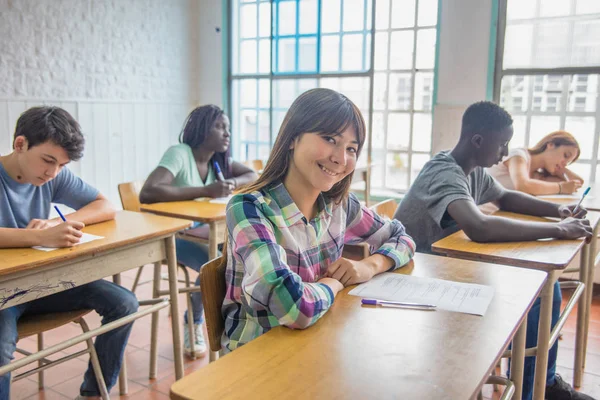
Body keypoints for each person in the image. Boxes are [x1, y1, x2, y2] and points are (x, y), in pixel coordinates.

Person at [394, 101, 594, 400]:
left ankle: (542, 382)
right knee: (537, 292)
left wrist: (559, 211)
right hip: (418, 274)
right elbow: (480, 227)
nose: (504, 152)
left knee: (543, 288)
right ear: (478, 141)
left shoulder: (471, 169)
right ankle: (532, 389)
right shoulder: (445, 173)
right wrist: (558, 230)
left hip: (449, 265)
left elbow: (506, 198)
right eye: (502, 144)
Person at [222, 88, 416, 353]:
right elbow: (294, 308)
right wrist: (333, 284)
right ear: (293, 138)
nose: (341, 158)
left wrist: (370, 266)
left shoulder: (339, 205)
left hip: (319, 343)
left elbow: (403, 238)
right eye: (329, 139)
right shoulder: (250, 208)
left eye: (351, 148)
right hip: (256, 358)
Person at [0, 106, 139, 399]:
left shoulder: (52, 176)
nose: (53, 173)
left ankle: (93, 394)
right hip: (3, 293)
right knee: (1, 347)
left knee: (124, 303)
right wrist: (37, 237)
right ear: (20, 144)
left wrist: (56, 222)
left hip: (43, 282)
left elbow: (106, 206)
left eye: (62, 165)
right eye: (48, 161)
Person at [139, 105, 258, 357]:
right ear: (202, 129)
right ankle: (193, 321)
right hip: (171, 237)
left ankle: (234, 318)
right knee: (219, 265)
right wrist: (207, 190)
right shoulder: (180, 153)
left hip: (201, 232)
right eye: (219, 127)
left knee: (235, 257)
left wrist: (230, 183)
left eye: (228, 128)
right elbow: (148, 192)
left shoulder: (218, 159)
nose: (227, 133)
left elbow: (252, 174)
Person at [487, 130, 583, 195]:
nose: (565, 163)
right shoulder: (518, 156)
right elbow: (522, 186)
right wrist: (561, 187)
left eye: (568, 162)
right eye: (566, 155)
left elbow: (577, 183)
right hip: (484, 213)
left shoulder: (536, 174)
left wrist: (561, 167)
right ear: (550, 145)